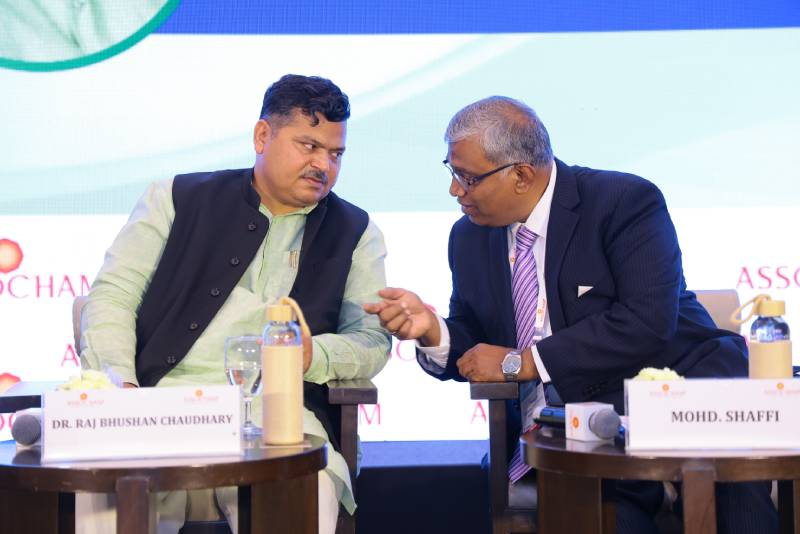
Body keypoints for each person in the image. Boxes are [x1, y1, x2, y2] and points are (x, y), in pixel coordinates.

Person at [364, 96, 778, 533]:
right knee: (605, 517)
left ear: (521, 176)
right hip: (567, 433)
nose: (455, 190)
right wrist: (433, 332)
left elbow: (646, 321)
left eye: (467, 178)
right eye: (451, 171)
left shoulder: (623, 202)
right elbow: (479, 345)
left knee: (735, 502)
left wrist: (525, 361)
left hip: (684, 396)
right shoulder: (469, 237)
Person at [79, 74, 391, 534]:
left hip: (280, 421)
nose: (323, 165)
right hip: (159, 408)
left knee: (301, 490)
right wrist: (120, 389)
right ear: (262, 136)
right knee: (102, 504)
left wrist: (315, 354)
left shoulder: (356, 232)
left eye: (336, 153)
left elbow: (371, 340)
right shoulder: (175, 199)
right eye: (309, 146)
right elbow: (113, 296)